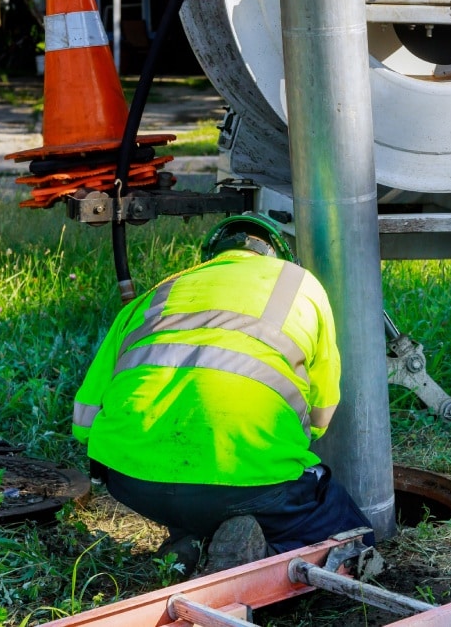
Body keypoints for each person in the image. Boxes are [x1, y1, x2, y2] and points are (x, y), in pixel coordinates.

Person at [72, 212, 374, 575]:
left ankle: (191, 546)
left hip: (132, 482)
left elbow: (85, 422)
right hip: (247, 479)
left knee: (199, 497)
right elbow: (323, 411)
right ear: (277, 255)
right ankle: (260, 557)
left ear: (212, 257)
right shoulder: (299, 284)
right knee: (357, 536)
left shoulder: (157, 294)